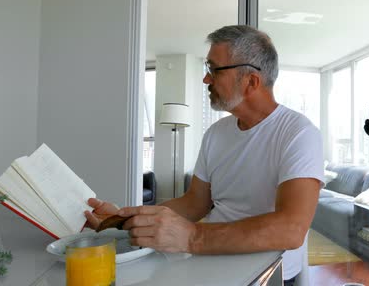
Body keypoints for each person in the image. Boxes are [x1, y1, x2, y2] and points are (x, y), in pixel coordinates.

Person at [85, 25, 324, 285]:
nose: (206, 80)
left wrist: (192, 237)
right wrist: (123, 218)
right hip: (206, 262)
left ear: (251, 81)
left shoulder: (298, 134)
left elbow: (291, 229)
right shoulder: (216, 133)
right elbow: (195, 203)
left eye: (214, 69)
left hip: (263, 274)